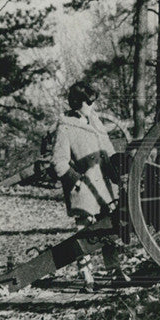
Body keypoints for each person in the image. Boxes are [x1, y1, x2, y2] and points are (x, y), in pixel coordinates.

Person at [50, 81, 127, 286]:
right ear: (78, 103)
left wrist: (118, 169)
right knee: (84, 233)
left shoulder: (95, 121)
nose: (92, 106)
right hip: (84, 189)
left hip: (104, 187)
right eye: (88, 102)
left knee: (109, 229)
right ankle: (86, 274)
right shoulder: (65, 125)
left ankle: (114, 270)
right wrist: (76, 182)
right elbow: (59, 161)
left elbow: (108, 151)